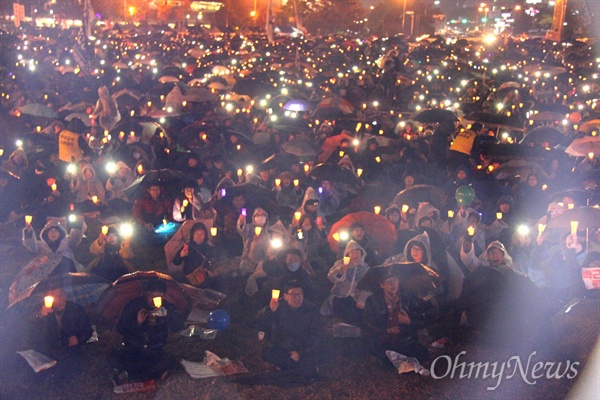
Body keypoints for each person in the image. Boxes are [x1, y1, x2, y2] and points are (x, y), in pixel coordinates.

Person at [115, 278, 186, 382]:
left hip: (155, 350)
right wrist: (137, 322)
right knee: (116, 358)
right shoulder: (134, 305)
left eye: (158, 297)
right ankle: (142, 373)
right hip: (134, 349)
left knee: (169, 362)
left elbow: (178, 326)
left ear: (164, 296)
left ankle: (135, 373)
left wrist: (167, 316)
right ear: (145, 294)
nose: (153, 300)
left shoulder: (167, 307)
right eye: (150, 296)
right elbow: (121, 328)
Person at [257, 281, 326, 377]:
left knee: (320, 352)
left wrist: (300, 353)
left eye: (299, 294)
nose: (297, 297)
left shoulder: (311, 310)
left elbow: (316, 335)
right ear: (285, 296)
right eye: (293, 294)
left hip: (303, 346)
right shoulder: (278, 305)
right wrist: (270, 310)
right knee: (267, 353)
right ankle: (300, 368)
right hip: (283, 346)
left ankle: (288, 366)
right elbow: (260, 318)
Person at [362, 272, 429, 367]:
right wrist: (387, 330)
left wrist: (408, 321)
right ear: (382, 285)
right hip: (383, 340)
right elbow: (367, 323)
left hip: (405, 340)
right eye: (388, 281)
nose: (392, 284)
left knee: (423, 354)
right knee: (385, 363)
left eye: (394, 280)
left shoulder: (408, 298)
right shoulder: (373, 301)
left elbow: (422, 321)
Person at [321, 240, 371, 325]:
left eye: (357, 252)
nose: (355, 254)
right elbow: (331, 277)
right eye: (352, 252)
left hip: (356, 298)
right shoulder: (340, 263)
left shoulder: (365, 268)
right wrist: (340, 270)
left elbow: (368, 285)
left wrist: (362, 299)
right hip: (339, 296)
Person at [22, 218, 86, 274]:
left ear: (60, 233)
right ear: (46, 233)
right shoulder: (41, 244)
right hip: (45, 273)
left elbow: (75, 238)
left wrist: (77, 225)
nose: (53, 233)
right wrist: (28, 232)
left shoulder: (67, 242)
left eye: (56, 231)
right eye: (51, 231)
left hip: (66, 269)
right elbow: (31, 245)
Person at [171, 222, 217, 287]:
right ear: (192, 234)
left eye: (201, 234)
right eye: (196, 234)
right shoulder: (187, 246)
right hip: (189, 277)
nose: (199, 237)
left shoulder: (209, 247)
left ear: (205, 235)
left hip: (204, 277)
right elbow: (175, 262)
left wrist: (209, 270)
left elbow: (214, 261)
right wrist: (181, 256)